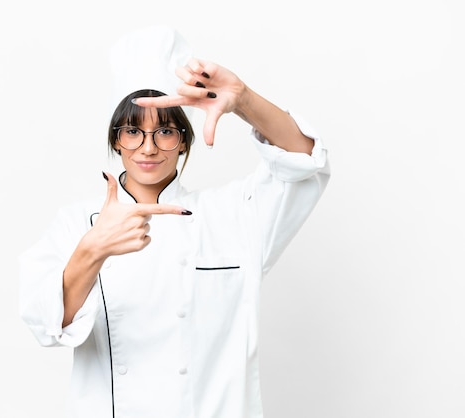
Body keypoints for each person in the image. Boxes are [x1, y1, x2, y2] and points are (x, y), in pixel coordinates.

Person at [19, 26, 330, 418]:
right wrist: (92, 249)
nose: (148, 147)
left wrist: (245, 100)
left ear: (184, 139)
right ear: (116, 140)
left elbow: (304, 163)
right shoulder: (76, 224)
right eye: (132, 131)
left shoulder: (232, 214)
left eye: (165, 131)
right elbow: (46, 324)